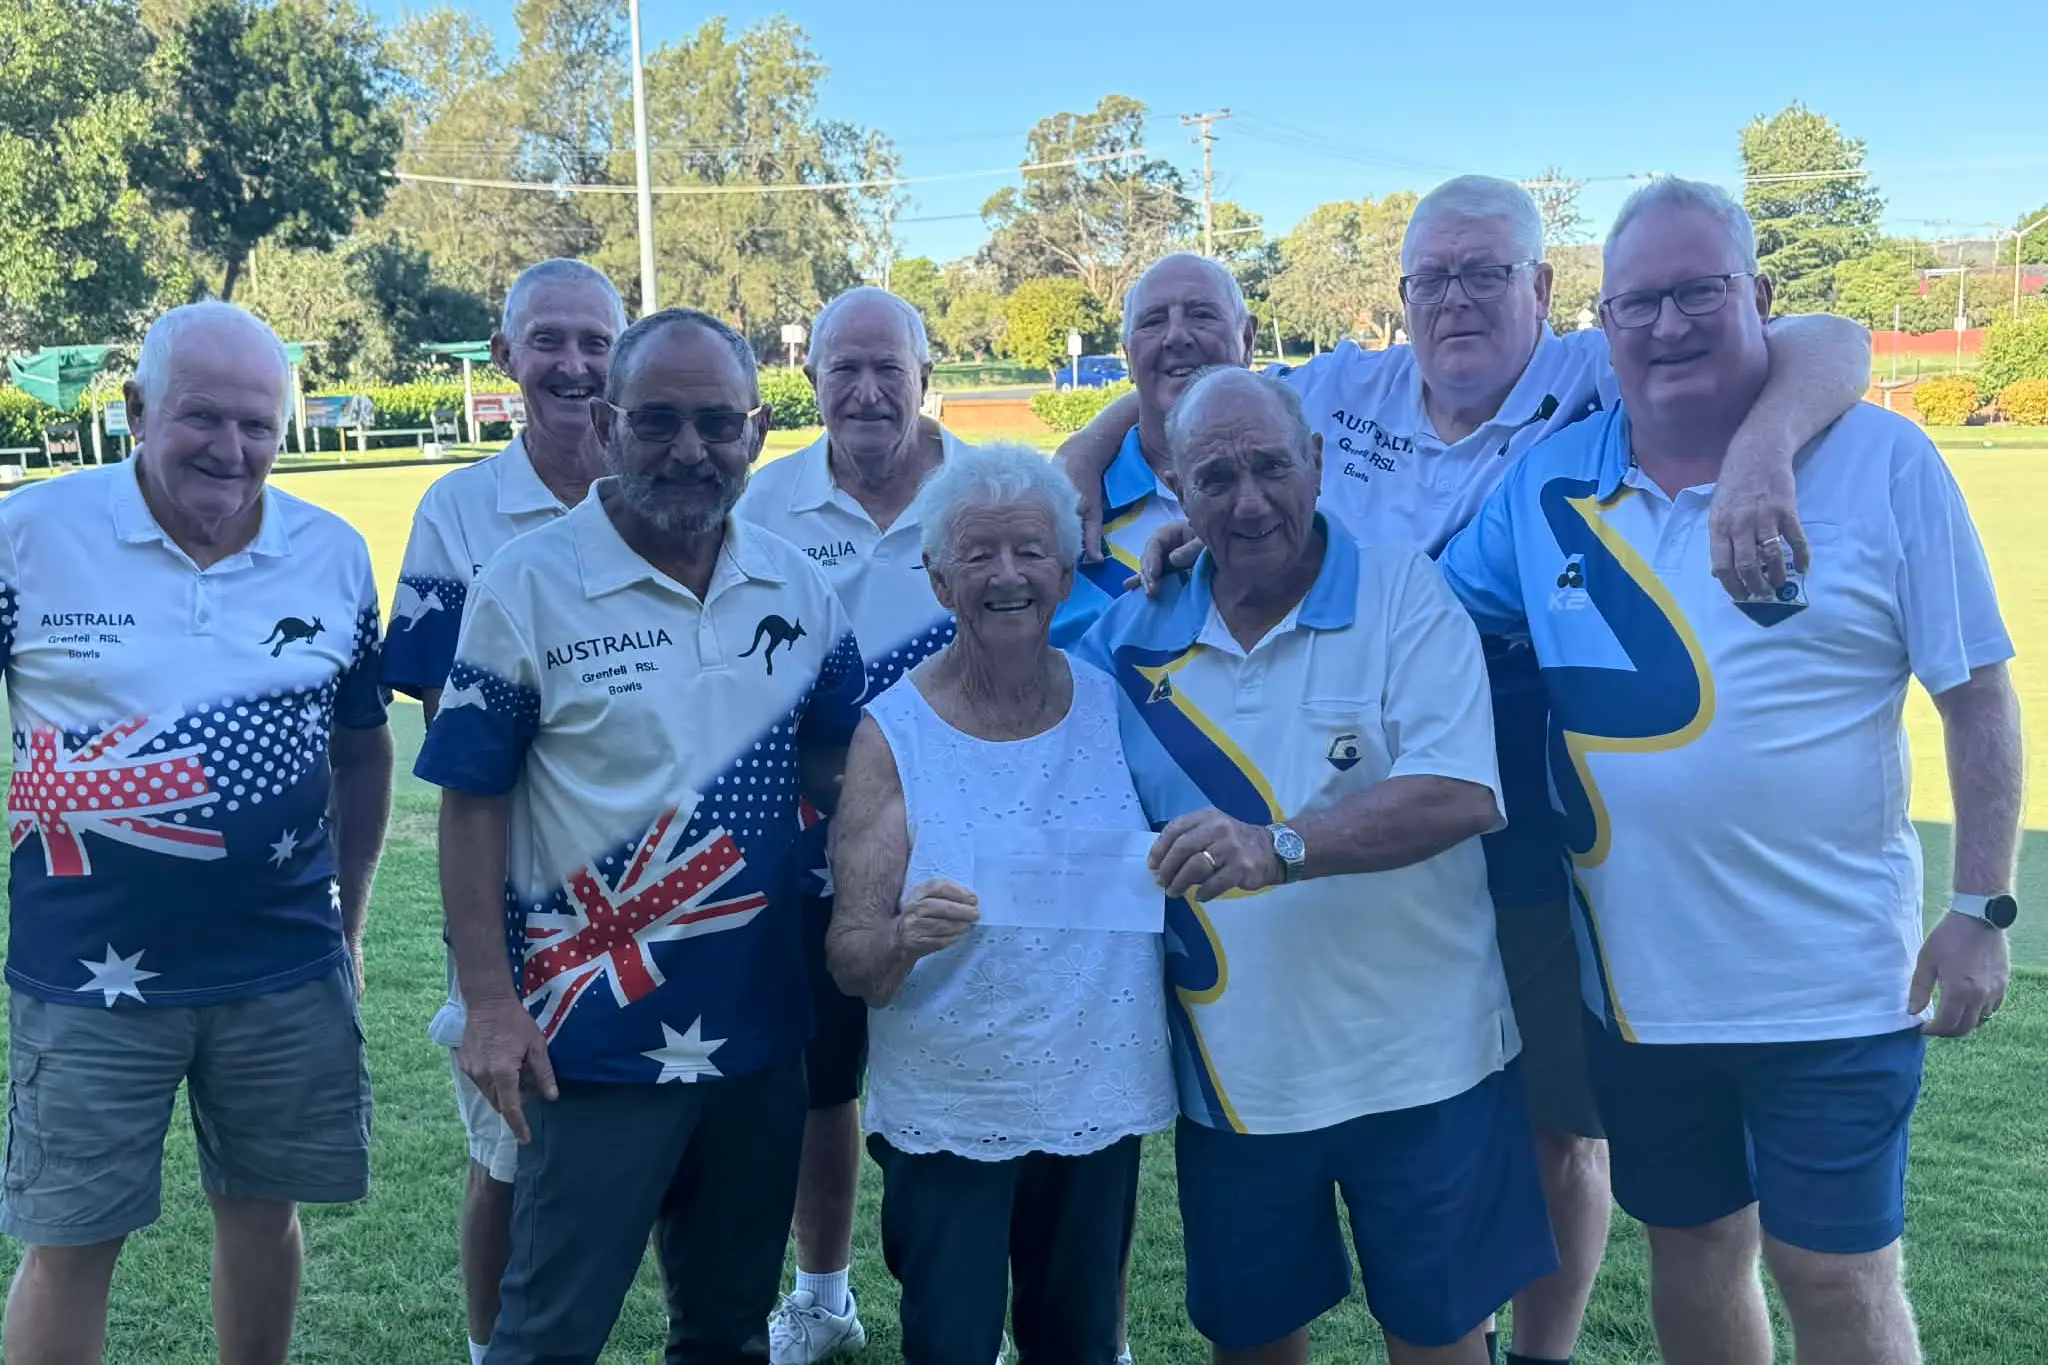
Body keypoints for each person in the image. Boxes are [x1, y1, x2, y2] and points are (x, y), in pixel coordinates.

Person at [1060, 178, 1875, 1365]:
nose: (1453, 300)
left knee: (1548, 1119)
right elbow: (1202, 413)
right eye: (1429, 278)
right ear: (1399, 296)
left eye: (1484, 273)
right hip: (1322, 708)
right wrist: (1097, 445)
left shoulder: (1602, 363)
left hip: (1522, 758)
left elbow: (1824, 341)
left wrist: (1760, 454)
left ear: (1542, 289)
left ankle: (1533, 1351)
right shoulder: (1343, 385)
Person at [1437, 178, 2025, 1365]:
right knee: (1692, 1252)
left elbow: (1975, 692)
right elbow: (1411, 622)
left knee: (1836, 1275)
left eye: (1698, 292)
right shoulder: (1544, 487)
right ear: (1599, 327)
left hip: (1833, 983)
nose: (1666, 325)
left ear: (1757, 297)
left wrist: (1979, 908)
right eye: (1637, 303)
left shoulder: (1881, 462)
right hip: (1640, 995)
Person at [414, 308, 868, 1364]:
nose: (688, 450)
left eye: (716, 423)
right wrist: (487, 1002)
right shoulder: (526, 583)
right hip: (589, 1041)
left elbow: (843, 775)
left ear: (757, 432)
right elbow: (470, 803)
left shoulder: (798, 588)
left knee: (723, 1334)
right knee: (549, 1334)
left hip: (758, 1037)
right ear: (610, 424)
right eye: (656, 421)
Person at [1075, 365, 1553, 1365]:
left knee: (1437, 1341)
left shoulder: (1401, 593)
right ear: (1176, 492)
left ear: (1318, 464)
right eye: (1213, 479)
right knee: (1252, 1343)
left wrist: (1277, 845)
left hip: (1423, 1066)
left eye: (1268, 468)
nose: (1247, 502)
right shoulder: (1127, 636)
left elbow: (1460, 792)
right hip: (1235, 1083)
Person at [0, 302, 394, 1365]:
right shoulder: (27, 535)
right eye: (202, 417)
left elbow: (363, 750)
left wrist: (347, 922)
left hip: (279, 966)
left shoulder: (334, 553)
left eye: (258, 424)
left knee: (265, 1218)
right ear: (136, 410)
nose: (232, 450)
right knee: (68, 1242)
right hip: (79, 972)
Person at [824, 443, 1177, 1365]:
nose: (1007, 575)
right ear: (940, 579)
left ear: (1066, 573)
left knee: (1079, 1344)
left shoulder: (1119, 706)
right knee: (951, 1344)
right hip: (949, 1108)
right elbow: (852, 957)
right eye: (978, 555)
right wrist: (903, 935)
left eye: (1029, 552)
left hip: (1094, 1095)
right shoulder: (890, 734)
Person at [381, 255, 628, 1365]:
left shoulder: (679, 482)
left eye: (595, 343)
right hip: (520, 891)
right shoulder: (458, 509)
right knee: (507, 1146)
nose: (574, 366)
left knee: (671, 1147)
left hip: (676, 874)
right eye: (550, 342)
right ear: (505, 358)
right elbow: (456, 730)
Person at [734, 286, 972, 1363]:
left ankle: (978, 1307)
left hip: (969, 860)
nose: (867, 391)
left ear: (928, 377)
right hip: (805, 860)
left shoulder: (988, 491)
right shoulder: (761, 505)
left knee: (973, 1093)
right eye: (844, 370)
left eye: (890, 368)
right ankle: (822, 1298)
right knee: (821, 1089)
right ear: (813, 379)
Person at [1050, 253, 1256, 647]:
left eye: (1201, 314)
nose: (1176, 336)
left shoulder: (1298, 492)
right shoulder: (1070, 505)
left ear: (1247, 339)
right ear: (1127, 354)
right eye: (1153, 321)